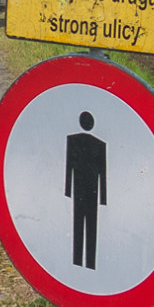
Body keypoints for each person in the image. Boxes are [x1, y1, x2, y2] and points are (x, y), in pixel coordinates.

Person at [64, 111, 107, 269]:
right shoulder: (99, 144)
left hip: (79, 188)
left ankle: (77, 261)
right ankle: (89, 263)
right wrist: (102, 197)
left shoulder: (73, 140)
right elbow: (103, 173)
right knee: (91, 226)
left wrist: (68, 190)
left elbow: (69, 168)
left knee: (77, 223)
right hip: (92, 190)